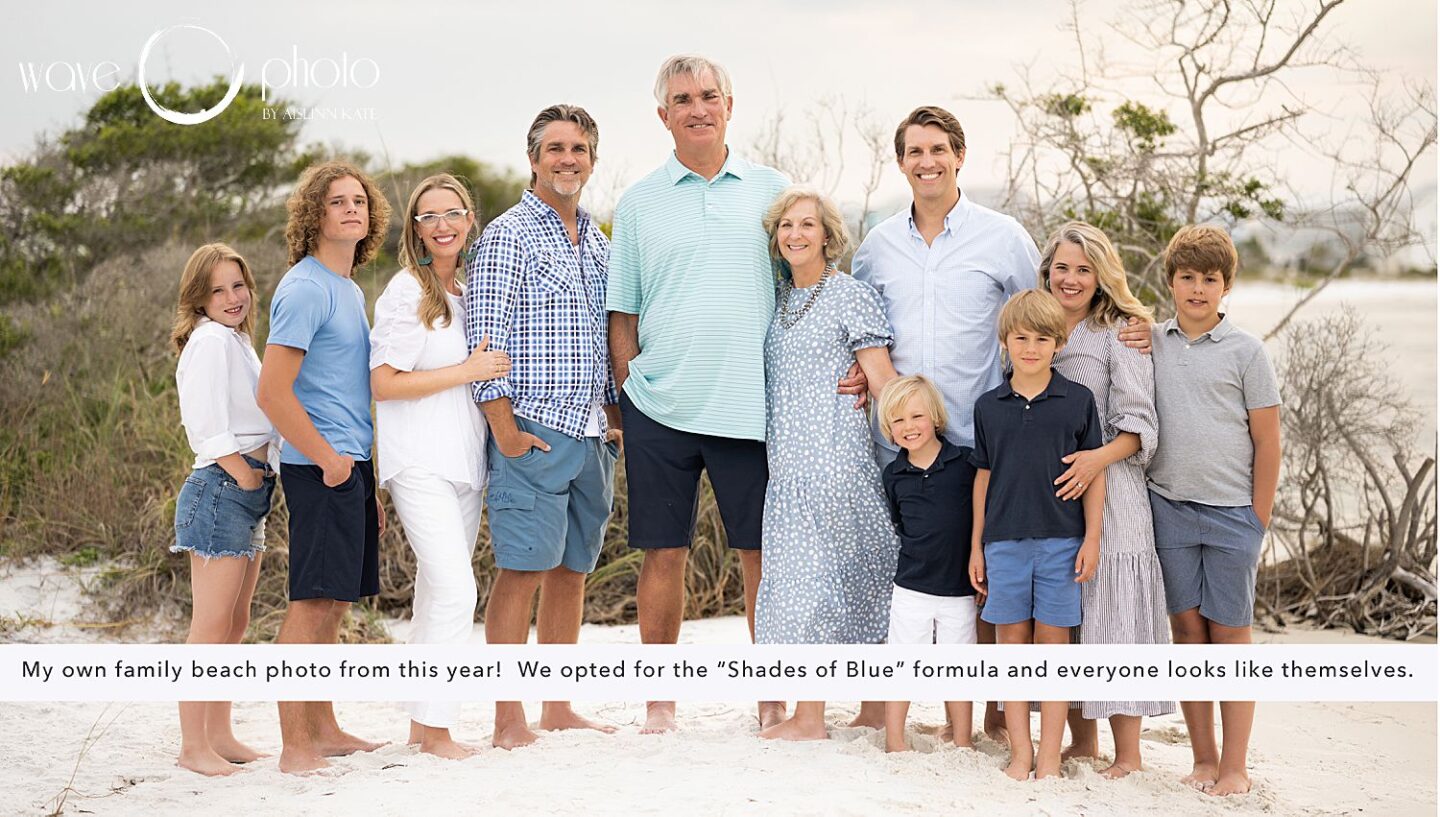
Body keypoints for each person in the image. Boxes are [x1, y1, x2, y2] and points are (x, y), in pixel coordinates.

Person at [853, 104, 1149, 741]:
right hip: (913, 442)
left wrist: (1127, 324)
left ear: (960, 156)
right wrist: (867, 382)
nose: (927, 161)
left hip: (992, 433)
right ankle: (889, 707)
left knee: (990, 573)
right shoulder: (876, 247)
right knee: (923, 564)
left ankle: (993, 715)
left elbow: (1047, 317)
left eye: (939, 149)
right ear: (901, 161)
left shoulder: (1004, 236)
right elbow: (858, 326)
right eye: (915, 152)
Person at [608, 54, 864, 733]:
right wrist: (627, 393)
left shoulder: (771, 189)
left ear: (729, 105)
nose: (698, 108)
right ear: (663, 114)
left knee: (762, 554)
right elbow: (622, 316)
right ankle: (659, 700)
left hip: (753, 406)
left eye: (709, 96)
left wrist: (858, 357)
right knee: (662, 553)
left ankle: (771, 694)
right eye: (683, 99)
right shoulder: (637, 203)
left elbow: (808, 284)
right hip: (659, 406)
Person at [467, 104, 620, 749]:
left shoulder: (602, 241)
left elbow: (612, 336)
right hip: (533, 429)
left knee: (571, 571)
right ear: (533, 159)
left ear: (591, 159)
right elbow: (484, 336)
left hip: (590, 432)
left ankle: (556, 704)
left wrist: (614, 415)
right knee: (523, 570)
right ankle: (508, 718)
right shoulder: (507, 236)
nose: (568, 159)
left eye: (579, 148)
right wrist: (503, 428)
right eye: (555, 148)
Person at [256, 160, 391, 774]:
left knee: (335, 602)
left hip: (349, 464)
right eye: (337, 202)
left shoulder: (348, 288)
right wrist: (330, 461)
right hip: (320, 465)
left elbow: (347, 388)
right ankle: (294, 746)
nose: (351, 210)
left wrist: (363, 474)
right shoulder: (306, 286)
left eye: (359, 201)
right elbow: (273, 392)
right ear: (314, 214)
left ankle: (326, 728)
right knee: (312, 603)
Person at [371, 174, 511, 758]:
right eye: (429, 216)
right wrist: (466, 372)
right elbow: (383, 383)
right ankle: (438, 730)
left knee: (436, 594)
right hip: (419, 464)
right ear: (416, 228)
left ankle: (419, 727)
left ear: (470, 219)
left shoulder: (472, 290)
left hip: (464, 465)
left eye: (453, 213)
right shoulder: (406, 293)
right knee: (457, 591)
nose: (443, 224)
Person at [751, 188, 899, 740]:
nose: (795, 234)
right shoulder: (780, 301)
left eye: (807, 225)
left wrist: (920, 434)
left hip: (836, 461)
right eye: (786, 225)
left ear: (827, 234)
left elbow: (880, 377)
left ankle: (814, 717)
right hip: (787, 467)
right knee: (820, 582)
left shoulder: (851, 295)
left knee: (838, 580)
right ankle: (868, 709)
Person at [1147, 224, 1281, 796]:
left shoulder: (1248, 352)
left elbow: (1268, 441)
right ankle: (1202, 759)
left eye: (1209, 279)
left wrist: (1259, 517)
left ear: (1226, 286)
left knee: (1230, 636)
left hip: (1232, 516)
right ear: (1171, 281)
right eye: (1187, 278)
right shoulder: (1151, 341)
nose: (1197, 289)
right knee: (1188, 634)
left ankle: (1235, 766)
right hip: (1170, 508)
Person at [1040, 221, 1174, 776]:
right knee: (1072, 613)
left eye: (1083, 270)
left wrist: (1096, 457)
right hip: (1053, 492)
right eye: (1062, 268)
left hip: (1114, 489)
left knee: (1116, 616)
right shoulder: (1036, 324)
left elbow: (1140, 421)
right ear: (1047, 270)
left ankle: (1130, 754)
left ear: (1101, 277)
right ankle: (1084, 742)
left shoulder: (1119, 331)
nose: (1071, 280)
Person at [968, 289, 1103, 782]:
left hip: (1062, 544)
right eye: (1021, 338)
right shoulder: (988, 406)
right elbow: (982, 477)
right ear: (1005, 342)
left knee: (1053, 648)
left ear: (1059, 343)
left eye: (1042, 338)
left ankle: (1050, 753)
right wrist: (976, 545)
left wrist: (1091, 539)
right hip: (1003, 545)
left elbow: (1095, 476)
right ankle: (1020, 752)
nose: (1031, 347)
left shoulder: (1078, 402)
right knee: (1012, 647)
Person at [169, 242, 278, 776]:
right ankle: (193, 747)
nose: (232, 297)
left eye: (238, 285)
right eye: (218, 289)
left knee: (234, 624)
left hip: (249, 491)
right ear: (199, 299)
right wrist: (240, 470)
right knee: (209, 627)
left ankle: (219, 733)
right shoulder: (210, 341)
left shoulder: (237, 341)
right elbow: (204, 421)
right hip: (221, 490)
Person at [877, 375, 978, 753]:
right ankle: (894, 741)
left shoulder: (965, 463)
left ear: (935, 417)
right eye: (898, 421)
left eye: (916, 416)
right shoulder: (894, 475)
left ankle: (963, 742)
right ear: (889, 429)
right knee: (902, 662)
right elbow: (900, 523)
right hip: (911, 587)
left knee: (959, 666)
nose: (908, 427)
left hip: (958, 590)